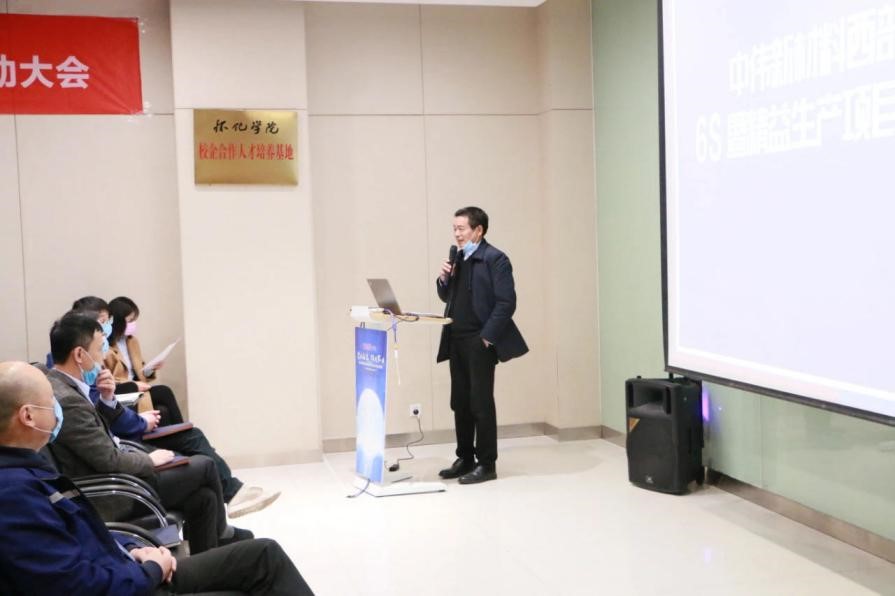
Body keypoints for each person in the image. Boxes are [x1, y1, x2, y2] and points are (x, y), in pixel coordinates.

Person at [0, 360, 315, 595]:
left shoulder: (28, 473)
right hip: (132, 582)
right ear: (28, 416)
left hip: (126, 568)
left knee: (262, 553)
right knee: (262, 565)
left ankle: (222, 534)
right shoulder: (14, 496)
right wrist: (151, 569)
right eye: (49, 402)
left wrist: (132, 548)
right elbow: (76, 586)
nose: (56, 409)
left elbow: (85, 532)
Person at [46, 312, 250, 554]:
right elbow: (108, 459)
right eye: (99, 350)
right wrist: (149, 460)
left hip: (118, 475)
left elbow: (98, 437)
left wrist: (107, 398)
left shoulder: (66, 386)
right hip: (114, 492)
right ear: (80, 355)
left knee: (204, 498)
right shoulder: (68, 400)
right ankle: (223, 536)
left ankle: (209, 563)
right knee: (204, 466)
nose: (102, 358)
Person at [435, 206, 528, 484]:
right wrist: (443, 279)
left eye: (461, 229)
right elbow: (447, 296)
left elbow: (506, 302)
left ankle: (487, 464)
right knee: (460, 402)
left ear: (478, 230)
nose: (457, 234)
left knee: (480, 403)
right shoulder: (459, 258)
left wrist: (486, 337)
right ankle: (465, 458)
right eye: (454, 229)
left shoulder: (495, 259)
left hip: (479, 341)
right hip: (456, 339)